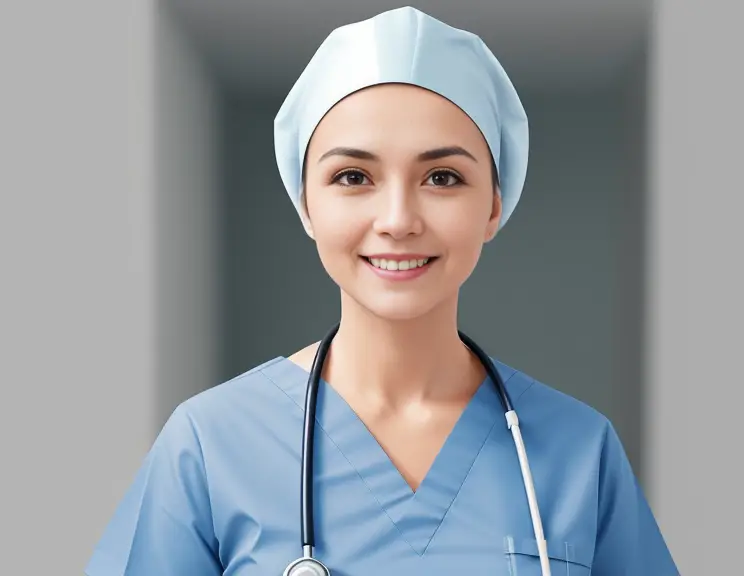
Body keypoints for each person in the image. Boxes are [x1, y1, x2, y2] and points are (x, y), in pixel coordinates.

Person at [85, 7, 679, 575]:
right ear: (306, 204)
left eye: (442, 177)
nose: (398, 219)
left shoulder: (579, 452)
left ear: (493, 206)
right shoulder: (210, 446)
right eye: (353, 177)